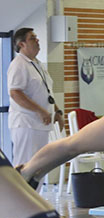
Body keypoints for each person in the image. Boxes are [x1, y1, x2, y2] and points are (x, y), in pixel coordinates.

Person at [7, 28, 63, 167]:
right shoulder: (18, 64)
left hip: (40, 124)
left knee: (39, 167)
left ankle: (34, 185)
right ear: (21, 44)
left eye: (36, 37)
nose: (37, 40)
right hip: (27, 124)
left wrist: (57, 111)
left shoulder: (37, 64)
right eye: (32, 38)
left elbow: (46, 92)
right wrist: (40, 111)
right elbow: (15, 93)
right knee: (26, 166)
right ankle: (20, 184)